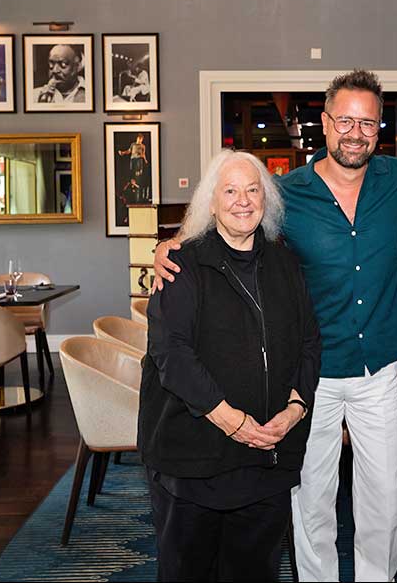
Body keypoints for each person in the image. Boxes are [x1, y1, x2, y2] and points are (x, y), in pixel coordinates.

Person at [153, 69, 397, 582]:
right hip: (308, 376)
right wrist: (171, 243)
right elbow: (230, 221)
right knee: (311, 493)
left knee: (382, 495)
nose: (355, 132)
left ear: (379, 130)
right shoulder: (286, 195)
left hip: (378, 368)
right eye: (345, 120)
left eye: (368, 123)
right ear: (326, 122)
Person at [139, 149, 322, 581]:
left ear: (267, 199)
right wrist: (233, 421)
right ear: (212, 203)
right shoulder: (181, 264)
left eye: (253, 190)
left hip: (266, 459)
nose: (243, 200)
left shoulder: (285, 263)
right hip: (195, 459)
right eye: (231, 191)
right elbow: (172, 355)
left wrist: (296, 408)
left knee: (254, 571)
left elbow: (310, 342)